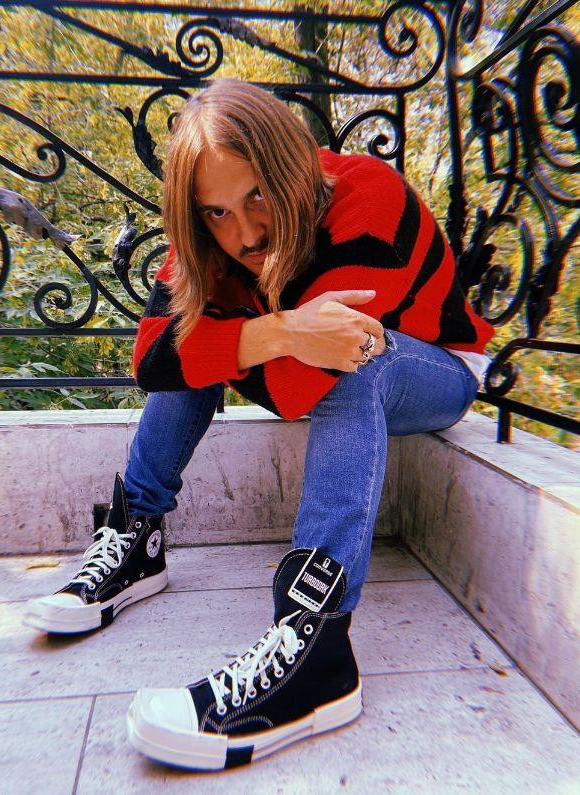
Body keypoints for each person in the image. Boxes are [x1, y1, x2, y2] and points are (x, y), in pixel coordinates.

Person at [25, 78, 494, 770]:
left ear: (292, 167)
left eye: (257, 196)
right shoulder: (212, 235)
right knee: (201, 333)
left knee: (350, 354)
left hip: (435, 368)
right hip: (318, 355)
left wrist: (239, 334)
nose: (244, 233)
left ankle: (317, 646)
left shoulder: (370, 199)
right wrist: (273, 329)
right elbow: (152, 361)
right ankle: (136, 535)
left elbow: (305, 386)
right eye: (216, 211)